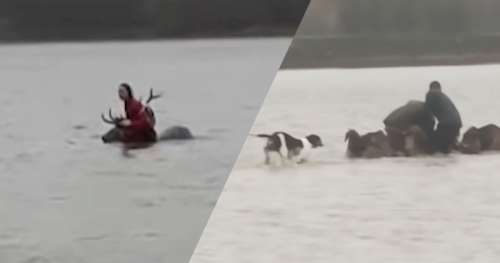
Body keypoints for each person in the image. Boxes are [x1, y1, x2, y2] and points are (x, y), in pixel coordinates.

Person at [425, 81, 462, 153]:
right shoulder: (443, 96)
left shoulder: (430, 94)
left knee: (433, 147)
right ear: (440, 88)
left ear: (430, 88)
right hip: (457, 124)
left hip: (446, 125)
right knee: (445, 148)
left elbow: (427, 113)